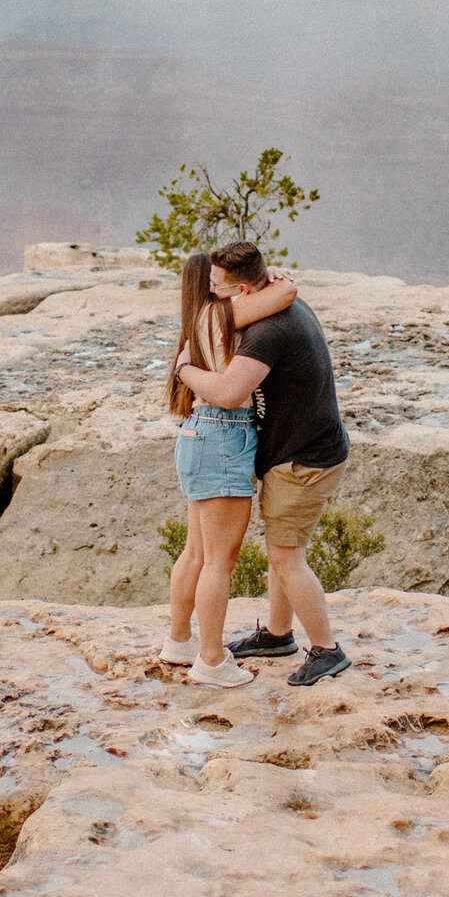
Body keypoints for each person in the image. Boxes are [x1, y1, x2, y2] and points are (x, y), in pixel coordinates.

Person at [176, 239, 355, 686]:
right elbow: (277, 293)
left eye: (216, 285)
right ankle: (277, 635)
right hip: (294, 449)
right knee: (279, 549)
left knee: (285, 555)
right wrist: (281, 284)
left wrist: (183, 369)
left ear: (239, 289)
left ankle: (327, 650)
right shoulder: (268, 307)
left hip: (304, 458)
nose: (210, 292)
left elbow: (230, 392)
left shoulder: (266, 330)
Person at [162, 250, 298, 687]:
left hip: (198, 431)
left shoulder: (199, 322)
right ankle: (212, 660)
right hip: (224, 433)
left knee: (197, 552)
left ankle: (179, 642)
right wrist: (275, 279)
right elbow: (288, 293)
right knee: (220, 560)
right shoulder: (221, 312)